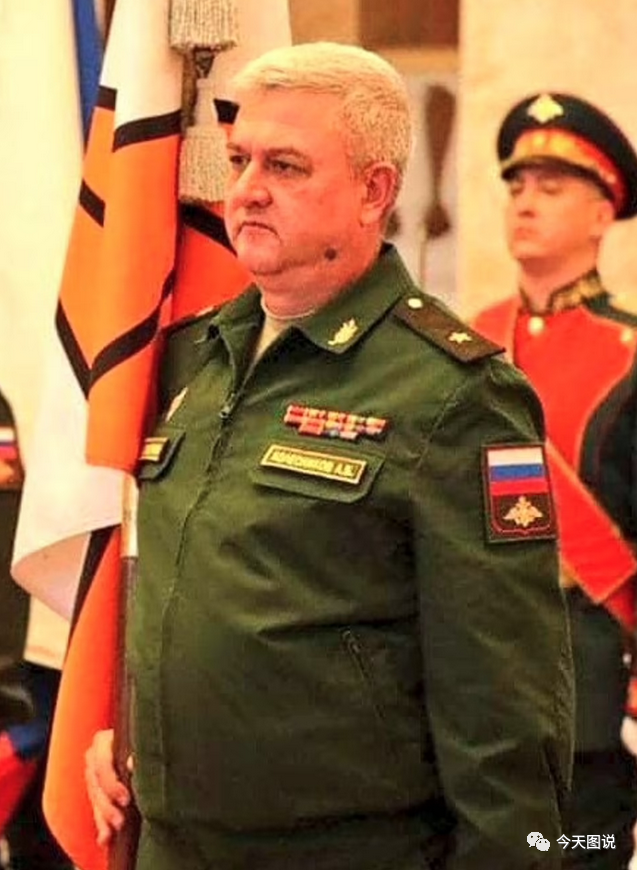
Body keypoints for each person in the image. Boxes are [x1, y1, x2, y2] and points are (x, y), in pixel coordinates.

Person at [84, 42, 574, 870]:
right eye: (239, 160)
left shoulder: (452, 393)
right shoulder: (191, 356)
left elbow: (503, 708)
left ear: (373, 192)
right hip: (172, 845)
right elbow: (176, 584)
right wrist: (129, 727)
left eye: (284, 166)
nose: (246, 189)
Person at [472, 91, 637, 869]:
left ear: (601, 214)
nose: (524, 201)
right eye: (516, 185)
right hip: (473, 692)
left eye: (551, 186)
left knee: (580, 852)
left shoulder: (630, 353)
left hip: (593, 698)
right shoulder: (467, 344)